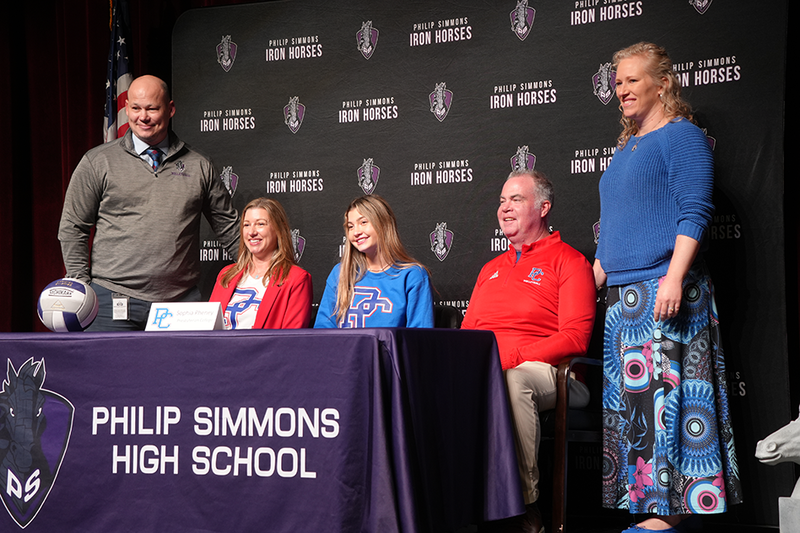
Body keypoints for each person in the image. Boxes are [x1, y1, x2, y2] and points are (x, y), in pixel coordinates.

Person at [593, 42, 742, 532]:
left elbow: (694, 211)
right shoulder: (626, 147)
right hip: (623, 300)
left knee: (671, 405)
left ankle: (673, 517)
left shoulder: (682, 137)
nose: (623, 90)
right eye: (618, 82)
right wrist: (595, 277)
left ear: (663, 83)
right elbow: (613, 228)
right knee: (635, 411)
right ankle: (649, 509)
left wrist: (675, 276)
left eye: (633, 80)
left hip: (666, 289)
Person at [462, 170, 596, 533]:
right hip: (490, 370)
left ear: (544, 207)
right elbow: (466, 334)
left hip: (554, 374)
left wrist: (512, 358)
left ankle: (523, 504)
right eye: (502, 201)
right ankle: (447, 499)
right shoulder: (489, 269)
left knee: (512, 379)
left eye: (516, 199)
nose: (505, 208)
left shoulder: (569, 262)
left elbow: (574, 338)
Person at [58, 75, 239, 331]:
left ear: (170, 109)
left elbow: (229, 228)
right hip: (110, 302)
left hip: (182, 305)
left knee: (184, 372)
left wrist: (264, 275)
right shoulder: (98, 162)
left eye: (152, 108)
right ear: (127, 108)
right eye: (135, 108)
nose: (143, 117)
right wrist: (80, 284)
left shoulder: (199, 165)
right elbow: (73, 226)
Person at [314, 195, 434, 328]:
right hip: (343, 349)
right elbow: (323, 331)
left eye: (363, 222)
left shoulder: (412, 275)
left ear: (383, 224)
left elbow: (419, 337)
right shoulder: (340, 273)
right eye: (350, 226)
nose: (356, 232)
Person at [210, 198, 312, 329]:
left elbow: (291, 340)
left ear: (278, 229)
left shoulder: (296, 279)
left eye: (260, 224)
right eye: (246, 225)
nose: (251, 232)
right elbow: (209, 329)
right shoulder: (226, 275)